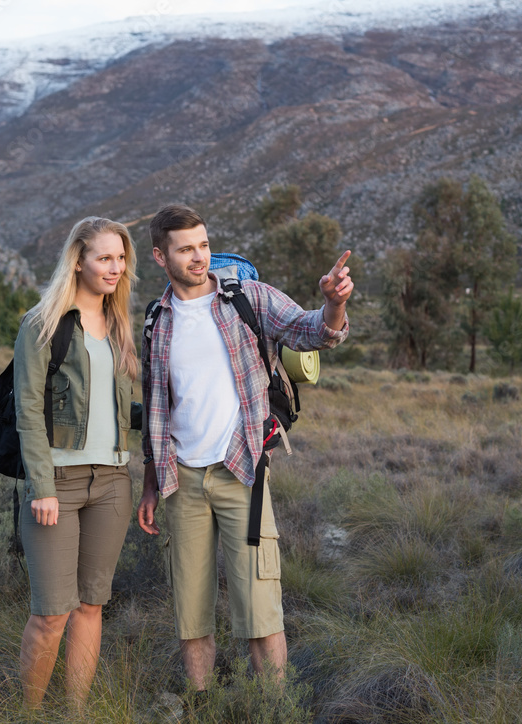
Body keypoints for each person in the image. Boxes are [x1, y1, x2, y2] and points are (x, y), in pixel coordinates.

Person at [135, 204, 353, 691]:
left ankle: (275, 709)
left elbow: (314, 331)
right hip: (181, 484)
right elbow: (154, 407)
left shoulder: (247, 299)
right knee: (191, 620)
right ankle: (201, 706)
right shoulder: (156, 320)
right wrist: (151, 484)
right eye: (186, 249)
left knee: (260, 613)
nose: (199, 258)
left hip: (243, 475)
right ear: (159, 255)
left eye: (204, 245)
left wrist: (334, 302)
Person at [13, 216, 139, 712]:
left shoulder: (121, 326)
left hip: (112, 483)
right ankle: (28, 714)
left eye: (121, 258)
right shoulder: (43, 323)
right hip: (57, 486)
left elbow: (117, 409)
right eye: (104, 257)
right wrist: (41, 486)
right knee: (51, 613)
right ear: (79, 261)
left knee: (91, 605)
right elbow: (27, 411)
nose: (115, 267)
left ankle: (77, 713)